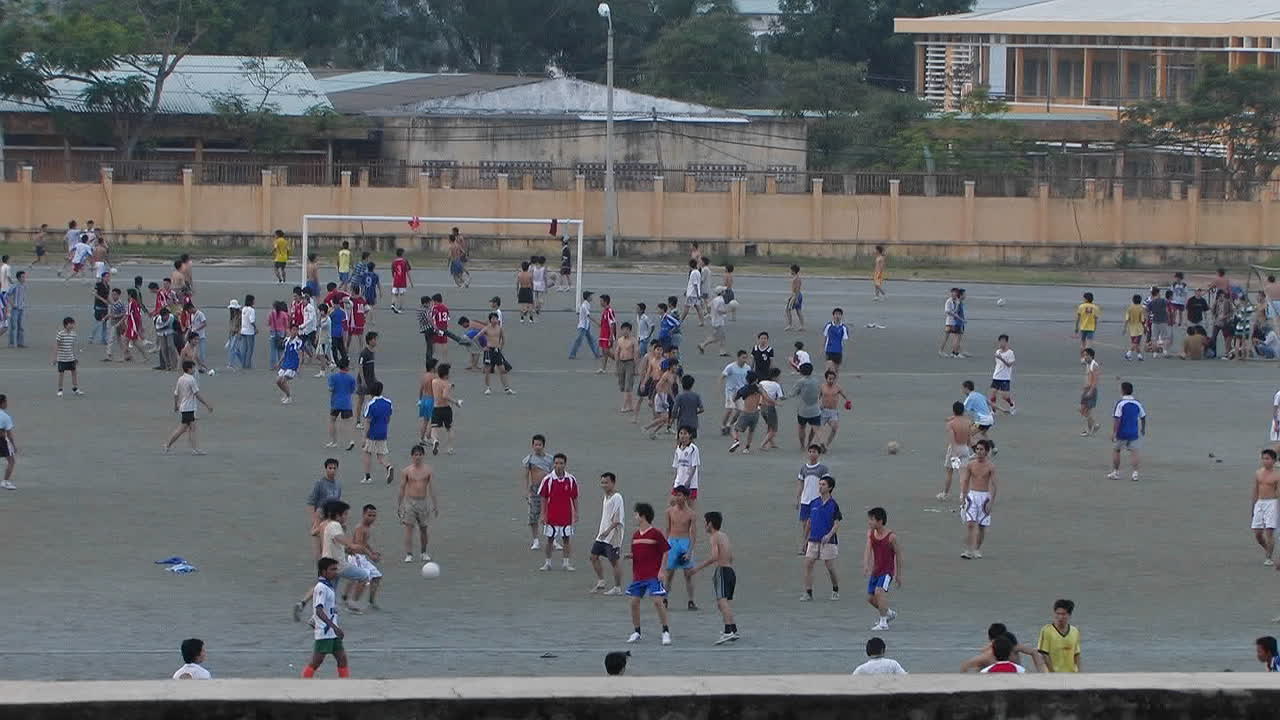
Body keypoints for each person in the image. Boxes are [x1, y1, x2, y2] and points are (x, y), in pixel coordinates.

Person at [625, 502, 673, 646]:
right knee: (633, 603)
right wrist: (630, 556)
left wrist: (662, 570)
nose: (635, 517)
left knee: (658, 601)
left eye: (636, 514)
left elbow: (665, 551)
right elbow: (639, 553)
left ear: (643, 516)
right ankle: (637, 632)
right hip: (638, 575)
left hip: (653, 575)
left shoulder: (656, 533)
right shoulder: (635, 535)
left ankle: (665, 632)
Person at [690, 510, 738, 644]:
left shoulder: (714, 537)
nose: (704, 526)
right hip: (730, 571)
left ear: (710, 524)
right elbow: (731, 556)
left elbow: (714, 557)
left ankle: (728, 632)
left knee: (722, 602)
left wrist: (697, 568)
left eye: (705, 523)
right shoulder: (724, 536)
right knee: (724, 603)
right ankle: (733, 629)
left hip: (722, 571)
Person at [301, 558, 349, 678]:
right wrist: (334, 627)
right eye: (332, 569)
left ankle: (347, 686)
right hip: (325, 632)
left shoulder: (328, 586)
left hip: (332, 633)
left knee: (342, 658)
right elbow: (319, 610)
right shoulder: (321, 587)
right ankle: (301, 684)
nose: (335, 572)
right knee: (316, 662)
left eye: (336, 569)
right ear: (323, 571)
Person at [801, 475, 841, 601]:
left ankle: (835, 589)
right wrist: (805, 540)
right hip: (813, 540)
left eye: (823, 484)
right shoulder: (814, 503)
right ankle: (808, 592)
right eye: (820, 484)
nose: (820, 486)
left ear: (830, 488)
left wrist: (829, 535)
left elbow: (836, 524)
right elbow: (809, 522)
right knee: (808, 564)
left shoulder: (833, 505)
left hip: (828, 542)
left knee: (829, 566)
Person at [538, 453, 579, 571]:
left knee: (566, 539)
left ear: (565, 464)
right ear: (553, 464)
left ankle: (566, 563)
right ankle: (547, 563)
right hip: (552, 515)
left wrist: (576, 513)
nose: (558, 466)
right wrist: (543, 514)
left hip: (566, 515)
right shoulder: (548, 480)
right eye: (556, 463)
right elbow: (544, 498)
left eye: (561, 463)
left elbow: (574, 497)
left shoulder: (571, 480)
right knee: (550, 539)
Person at [397, 445, 438, 563]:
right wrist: (399, 504)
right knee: (409, 528)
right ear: (412, 456)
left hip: (423, 502)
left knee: (424, 528)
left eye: (420, 454)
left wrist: (435, 504)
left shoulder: (428, 470)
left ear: (423, 456)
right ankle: (409, 554)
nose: (418, 457)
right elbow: (401, 488)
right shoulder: (407, 471)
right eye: (415, 455)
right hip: (409, 502)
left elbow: (432, 488)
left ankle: (423, 552)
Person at [864, 507, 902, 631]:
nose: (869, 522)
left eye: (872, 520)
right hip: (876, 570)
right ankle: (889, 613)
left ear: (880, 521)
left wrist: (898, 575)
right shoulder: (871, 534)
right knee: (870, 598)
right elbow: (868, 549)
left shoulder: (891, 537)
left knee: (879, 592)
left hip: (887, 572)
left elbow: (899, 555)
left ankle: (883, 622)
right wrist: (866, 565)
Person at [589, 472, 625, 596]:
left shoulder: (617, 497)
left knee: (613, 561)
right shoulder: (606, 496)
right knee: (593, 556)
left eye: (606, 482)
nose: (604, 485)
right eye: (602, 482)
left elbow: (617, 519)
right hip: (602, 534)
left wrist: (608, 531)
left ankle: (617, 587)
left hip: (613, 535)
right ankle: (601, 581)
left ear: (613, 483)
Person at [165, 361, 212, 455]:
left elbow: (176, 394)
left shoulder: (180, 379)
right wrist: (207, 405)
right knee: (182, 429)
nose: (195, 369)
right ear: (189, 369)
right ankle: (168, 445)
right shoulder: (191, 380)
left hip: (184, 407)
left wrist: (175, 406)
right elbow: (197, 394)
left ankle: (194, 449)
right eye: (193, 368)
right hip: (189, 408)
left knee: (192, 428)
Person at [663, 486, 699, 610]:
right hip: (672, 542)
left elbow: (693, 534)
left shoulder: (691, 514)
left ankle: (691, 601)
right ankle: (665, 599)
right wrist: (665, 547)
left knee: (688, 574)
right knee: (669, 574)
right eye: (676, 495)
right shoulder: (669, 511)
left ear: (685, 497)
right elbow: (667, 530)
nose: (677, 498)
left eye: (680, 495)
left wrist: (689, 551)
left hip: (685, 542)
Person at [960, 439, 997, 559]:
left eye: (981, 449)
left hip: (984, 497)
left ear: (986, 451)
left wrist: (991, 502)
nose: (979, 451)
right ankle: (968, 550)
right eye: (977, 449)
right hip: (972, 496)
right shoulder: (971, 464)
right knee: (970, 524)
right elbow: (966, 481)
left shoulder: (991, 466)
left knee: (981, 526)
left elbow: (994, 485)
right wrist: (963, 496)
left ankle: (977, 549)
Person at [344, 504, 383, 610]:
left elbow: (365, 544)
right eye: (369, 515)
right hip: (356, 556)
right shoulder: (360, 528)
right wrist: (371, 556)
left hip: (361, 556)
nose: (372, 518)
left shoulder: (367, 527)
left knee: (376, 577)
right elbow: (359, 546)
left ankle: (370, 601)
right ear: (363, 514)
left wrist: (372, 551)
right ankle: (352, 603)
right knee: (363, 577)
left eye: (374, 516)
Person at [1108, 381, 1146, 482]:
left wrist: (1114, 432)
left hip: (1122, 432)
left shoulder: (1120, 403)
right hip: (1133, 432)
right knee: (1134, 452)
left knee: (1116, 450)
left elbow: (1117, 419)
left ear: (1122, 391)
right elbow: (1143, 416)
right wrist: (1143, 428)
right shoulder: (1137, 403)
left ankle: (1116, 472)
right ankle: (1135, 473)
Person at [361, 380, 394, 485]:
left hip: (372, 433)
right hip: (383, 431)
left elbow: (367, 421)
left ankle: (367, 476)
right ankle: (388, 466)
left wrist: (364, 437)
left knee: (367, 452)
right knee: (381, 455)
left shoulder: (370, 404)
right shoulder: (388, 402)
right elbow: (388, 418)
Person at [1037, 599, 1082, 672]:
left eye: (1063, 614)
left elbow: (1076, 654)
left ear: (1069, 615)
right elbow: (1044, 654)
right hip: (1053, 674)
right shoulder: (1046, 630)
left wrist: (1079, 671)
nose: (1060, 617)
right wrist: (1053, 673)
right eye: (1057, 613)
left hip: (1072, 673)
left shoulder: (1075, 631)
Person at [428, 363, 464, 455]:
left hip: (436, 409)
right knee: (449, 428)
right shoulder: (446, 384)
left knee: (434, 428)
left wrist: (450, 385)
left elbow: (440, 385)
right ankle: (450, 448)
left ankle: (435, 440)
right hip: (446, 409)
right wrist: (456, 402)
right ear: (446, 374)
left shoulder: (434, 382)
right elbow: (445, 396)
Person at [940, 401, 972, 501]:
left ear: (953, 411)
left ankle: (945, 494)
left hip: (954, 450)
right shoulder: (968, 422)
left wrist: (954, 455)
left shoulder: (951, 424)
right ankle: (963, 495)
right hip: (965, 448)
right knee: (963, 473)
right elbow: (969, 438)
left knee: (950, 472)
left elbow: (952, 440)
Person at [1253, 449, 1279, 566]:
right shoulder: (1258, 473)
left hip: (1272, 503)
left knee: (1269, 531)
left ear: (1274, 461)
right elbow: (1255, 491)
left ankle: (1268, 557)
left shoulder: (1277, 475)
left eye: (1267, 459)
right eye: (1263, 458)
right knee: (1258, 534)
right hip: (1260, 503)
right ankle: (1268, 549)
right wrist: (1253, 506)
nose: (1265, 461)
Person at [326, 358, 357, 451]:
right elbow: (352, 390)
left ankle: (333, 441)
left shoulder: (333, 377)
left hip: (335, 402)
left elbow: (331, 388)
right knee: (348, 423)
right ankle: (351, 440)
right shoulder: (351, 378)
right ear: (347, 367)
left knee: (332, 420)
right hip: (346, 403)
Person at [481, 312, 515, 395]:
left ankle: (507, 389)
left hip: (497, 351)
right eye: (493, 318)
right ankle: (488, 388)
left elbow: (503, 339)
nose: (494, 320)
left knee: (502, 370)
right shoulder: (486, 328)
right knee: (488, 370)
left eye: (496, 318)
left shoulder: (499, 328)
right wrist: (483, 347)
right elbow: (476, 337)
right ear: (490, 320)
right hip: (489, 351)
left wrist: (501, 348)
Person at [816, 370, 850, 451]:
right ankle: (821, 443)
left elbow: (845, 395)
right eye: (829, 379)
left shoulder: (837, 387)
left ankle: (826, 444)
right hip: (823, 411)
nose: (831, 381)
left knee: (834, 428)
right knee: (818, 428)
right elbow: (818, 397)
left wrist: (848, 402)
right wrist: (818, 405)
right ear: (826, 378)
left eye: (833, 379)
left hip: (833, 412)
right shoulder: (822, 387)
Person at [53, 316, 83, 397]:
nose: (72, 325)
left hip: (71, 358)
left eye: (73, 324)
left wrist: (75, 357)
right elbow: (57, 346)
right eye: (71, 324)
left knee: (74, 373)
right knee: (61, 374)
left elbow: (73, 346)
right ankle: (60, 389)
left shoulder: (73, 334)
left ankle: (75, 388)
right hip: (62, 358)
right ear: (66, 325)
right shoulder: (60, 334)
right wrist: (55, 358)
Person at [793, 363, 822, 450]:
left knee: (801, 427)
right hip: (815, 409)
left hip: (803, 410)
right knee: (815, 428)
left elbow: (793, 393)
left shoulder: (800, 382)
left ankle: (802, 445)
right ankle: (810, 443)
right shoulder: (817, 381)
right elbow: (820, 393)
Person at [274, 325, 304, 404]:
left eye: (296, 330)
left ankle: (289, 397)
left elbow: (301, 355)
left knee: (283, 380)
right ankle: (286, 394)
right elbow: (284, 353)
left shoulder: (299, 342)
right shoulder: (286, 340)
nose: (295, 332)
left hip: (293, 365)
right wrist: (279, 362)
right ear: (290, 330)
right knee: (278, 381)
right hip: (285, 363)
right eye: (293, 330)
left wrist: (299, 367)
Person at [672, 426, 701, 504]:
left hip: (690, 483)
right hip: (679, 481)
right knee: (673, 502)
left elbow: (694, 466)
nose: (682, 436)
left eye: (685, 433)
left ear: (690, 435)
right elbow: (676, 466)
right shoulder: (678, 448)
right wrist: (674, 479)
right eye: (681, 433)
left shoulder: (693, 449)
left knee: (690, 506)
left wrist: (688, 480)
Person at [962, 379, 995, 450]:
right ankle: (993, 448)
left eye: (963, 389)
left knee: (968, 434)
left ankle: (975, 451)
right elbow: (990, 403)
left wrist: (953, 418)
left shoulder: (970, 397)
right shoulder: (979, 394)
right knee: (983, 433)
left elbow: (961, 410)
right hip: (990, 419)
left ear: (966, 388)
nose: (962, 390)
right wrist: (1002, 409)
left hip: (982, 421)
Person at [355, 332, 379, 427]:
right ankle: (358, 421)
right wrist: (363, 380)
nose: (376, 341)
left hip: (371, 379)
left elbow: (372, 368)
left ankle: (371, 418)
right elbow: (360, 366)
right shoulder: (364, 353)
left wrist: (375, 378)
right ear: (369, 340)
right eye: (374, 339)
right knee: (361, 400)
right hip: (364, 380)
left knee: (374, 399)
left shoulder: (372, 352)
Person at [989, 334, 1016, 415]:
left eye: (1003, 342)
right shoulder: (998, 351)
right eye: (1000, 342)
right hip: (996, 376)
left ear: (1006, 342)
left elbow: (1009, 365)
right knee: (993, 393)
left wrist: (1001, 358)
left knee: (1004, 396)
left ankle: (1011, 404)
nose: (1001, 343)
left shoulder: (1010, 353)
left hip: (1005, 377)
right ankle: (993, 410)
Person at [697, 289, 729, 356]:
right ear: (721, 292)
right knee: (720, 337)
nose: (725, 292)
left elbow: (708, 306)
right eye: (724, 291)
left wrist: (710, 314)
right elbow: (719, 310)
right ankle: (721, 352)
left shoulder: (715, 299)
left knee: (718, 336)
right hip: (719, 321)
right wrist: (727, 311)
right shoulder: (721, 300)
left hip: (714, 320)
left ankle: (703, 345)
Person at [569, 291, 600, 360]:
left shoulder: (588, 304)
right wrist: (597, 322)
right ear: (588, 297)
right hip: (583, 326)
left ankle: (597, 354)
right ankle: (572, 354)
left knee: (591, 340)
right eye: (591, 296)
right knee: (578, 340)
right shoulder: (584, 306)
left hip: (586, 325)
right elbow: (588, 315)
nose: (592, 297)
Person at [615, 322, 638, 412]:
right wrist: (616, 366)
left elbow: (636, 353)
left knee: (628, 385)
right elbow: (617, 352)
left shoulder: (633, 341)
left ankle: (624, 406)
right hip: (621, 363)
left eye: (627, 329)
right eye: (623, 329)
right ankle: (631, 406)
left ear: (629, 330)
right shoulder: (620, 340)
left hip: (630, 363)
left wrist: (635, 367)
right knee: (623, 385)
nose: (625, 331)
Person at [1080, 348, 1101, 436]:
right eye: (1084, 355)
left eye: (1086, 355)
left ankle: (1089, 430)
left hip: (1091, 390)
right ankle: (1095, 425)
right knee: (1082, 410)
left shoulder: (1094, 365)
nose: (1084, 357)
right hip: (1086, 390)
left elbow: (1095, 380)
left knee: (1087, 411)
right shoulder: (1088, 363)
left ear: (1090, 356)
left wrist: (1091, 391)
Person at [822, 308, 850, 374]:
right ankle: (827, 382)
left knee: (836, 370)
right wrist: (823, 348)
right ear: (833, 315)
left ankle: (834, 383)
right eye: (836, 314)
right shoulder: (829, 326)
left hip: (838, 351)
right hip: (829, 350)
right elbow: (825, 337)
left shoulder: (843, 327)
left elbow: (845, 340)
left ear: (841, 316)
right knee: (829, 368)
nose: (837, 316)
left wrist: (844, 351)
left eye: (839, 314)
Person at [0, 394, 17, 490]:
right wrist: (14, 446)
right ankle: (5, 482)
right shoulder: (6, 417)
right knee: (11, 461)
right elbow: (9, 434)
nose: (7, 404)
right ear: (2, 403)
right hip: (2, 441)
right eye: (5, 402)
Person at [940, 288, 963, 357]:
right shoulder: (948, 301)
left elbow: (955, 311)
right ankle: (941, 351)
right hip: (949, 322)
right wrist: (956, 315)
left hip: (954, 322)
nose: (954, 294)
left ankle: (955, 351)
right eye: (953, 293)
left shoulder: (956, 301)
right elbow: (948, 312)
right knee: (946, 337)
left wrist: (958, 305)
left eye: (956, 293)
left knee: (955, 337)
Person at [597, 293, 617, 373]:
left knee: (607, 351)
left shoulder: (610, 311)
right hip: (603, 334)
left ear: (605, 302)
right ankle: (603, 368)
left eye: (601, 301)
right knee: (604, 352)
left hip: (607, 335)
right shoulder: (605, 311)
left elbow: (612, 323)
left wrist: (611, 336)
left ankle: (621, 362)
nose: (600, 302)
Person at [1124, 294, 1147, 361]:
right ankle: (1128, 354)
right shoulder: (1141, 308)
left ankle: (1139, 356)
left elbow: (1127, 319)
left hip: (1131, 328)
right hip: (1139, 328)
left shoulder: (1129, 308)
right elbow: (1142, 320)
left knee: (1135, 343)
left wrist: (1125, 328)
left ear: (1133, 300)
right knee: (1136, 343)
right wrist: (1145, 328)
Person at [389, 247, 411, 314]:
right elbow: (407, 271)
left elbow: (392, 272)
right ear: (402, 254)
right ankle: (400, 307)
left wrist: (393, 278)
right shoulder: (405, 261)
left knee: (394, 294)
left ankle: (393, 304)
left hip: (396, 280)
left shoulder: (394, 262)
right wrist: (410, 281)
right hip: (402, 281)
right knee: (401, 294)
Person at [7, 270, 26, 348]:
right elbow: (8, 295)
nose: (24, 278)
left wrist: (23, 304)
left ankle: (20, 343)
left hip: (21, 308)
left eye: (24, 277)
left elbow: (23, 297)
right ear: (18, 278)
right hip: (15, 309)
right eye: (23, 277)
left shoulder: (24, 286)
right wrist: (12, 304)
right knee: (13, 326)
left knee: (20, 326)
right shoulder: (14, 286)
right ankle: (11, 343)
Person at [238, 294, 257, 369]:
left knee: (244, 349)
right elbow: (252, 321)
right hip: (249, 331)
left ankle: (243, 364)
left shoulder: (244, 309)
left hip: (243, 330)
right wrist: (255, 328)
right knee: (250, 349)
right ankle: (247, 364)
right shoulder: (251, 310)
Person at [784, 264, 805, 331]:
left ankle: (790, 325)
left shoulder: (797, 279)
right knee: (798, 310)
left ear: (793, 271)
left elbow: (797, 289)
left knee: (788, 309)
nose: (790, 271)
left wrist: (795, 298)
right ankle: (801, 326)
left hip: (796, 296)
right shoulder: (796, 278)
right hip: (795, 295)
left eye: (791, 270)